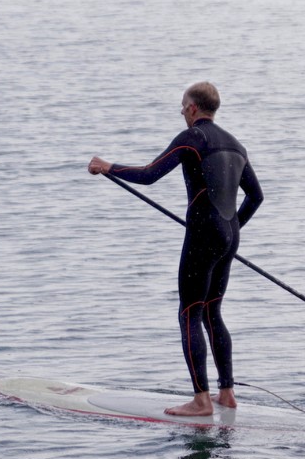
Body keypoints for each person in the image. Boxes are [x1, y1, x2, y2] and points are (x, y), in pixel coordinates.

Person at [88, 82, 263, 417]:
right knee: (213, 312)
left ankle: (200, 400)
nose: (182, 111)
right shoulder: (237, 145)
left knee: (189, 314)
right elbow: (256, 197)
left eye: (183, 106)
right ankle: (226, 393)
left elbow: (150, 174)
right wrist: (230, 230)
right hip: (229, 235)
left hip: (204, 235)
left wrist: (107, 166)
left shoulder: (193, 138)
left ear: (194, 108)